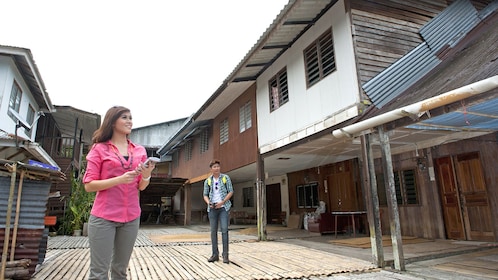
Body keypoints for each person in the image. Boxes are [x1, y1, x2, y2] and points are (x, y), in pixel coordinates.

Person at [83, 106, 156, 280]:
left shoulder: (139, 151)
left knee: (120, 271)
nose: (129, 121)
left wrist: (146, 175)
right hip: (103, 218)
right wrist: (119, 179)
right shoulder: (99, 149)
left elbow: (141, 187)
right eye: (124, 117)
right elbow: (89, 185)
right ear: (112, 121)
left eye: (131, 117)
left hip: (131, 217)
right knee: (99, 273)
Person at [203, 159, 234, 264]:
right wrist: (208, 203)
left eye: (218, 166)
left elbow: (230, 191)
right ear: (211, 169)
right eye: (214, 167)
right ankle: (215, 254)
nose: (216, 168)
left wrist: (223, 202)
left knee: (224, 230)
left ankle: (225, 255)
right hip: (212, 208)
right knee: (213, 231)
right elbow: (205, 194)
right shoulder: (208, 180)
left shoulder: (225, 178)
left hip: (223, 207)